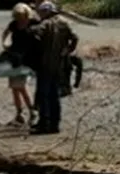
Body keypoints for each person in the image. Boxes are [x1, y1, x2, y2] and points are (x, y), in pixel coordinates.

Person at [29, 1, 77, 135]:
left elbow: (36, 34)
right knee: (54, 95)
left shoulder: (45, 23)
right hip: (58, 65)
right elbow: (74, 38)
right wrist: (67, 51)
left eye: (41, 12)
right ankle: (55, 125)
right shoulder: (63, 23)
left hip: (45, 65)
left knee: (43, 94)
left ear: (46, 12)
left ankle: (44, 124)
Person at [0, 4, 40, 127]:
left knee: (21, 86)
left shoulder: (33, 23)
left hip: (27, 59)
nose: (19, 18)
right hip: (14, 57)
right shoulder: (14, 24)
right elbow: (5, 33)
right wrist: (4, 43)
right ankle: (19, 113)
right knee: (14, 87)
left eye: (21, 16)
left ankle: (32, 110)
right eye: (17, 16)